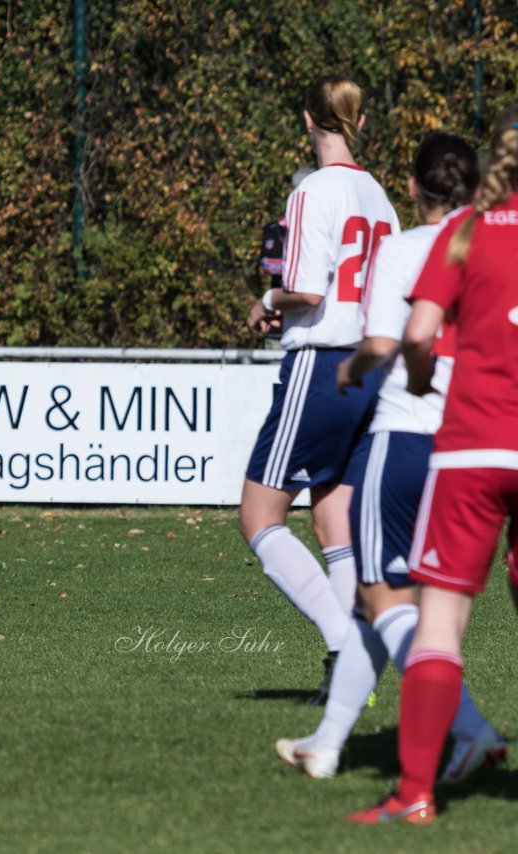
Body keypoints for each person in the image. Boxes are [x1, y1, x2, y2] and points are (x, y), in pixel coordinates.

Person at [276, 133, 503, 780]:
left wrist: (350, 373)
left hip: (405, 433)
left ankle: (471, 727)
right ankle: (326, 742)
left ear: (412, 188)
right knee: (382, 601)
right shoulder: (490, 244)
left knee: (382, 596)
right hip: (468, 439)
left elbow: (384, 342)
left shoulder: (404, 250)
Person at [349, 105, 518, 825]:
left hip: (475, 446)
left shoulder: (466, 230)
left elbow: (418, 332)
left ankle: (414, 794)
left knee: (441, 621)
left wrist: (420, 381)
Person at [242, 75, 399, 705]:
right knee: (333, 514)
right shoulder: (379, 195)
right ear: (357, 120)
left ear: (308, 118)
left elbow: (306, 291)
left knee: (259, 516)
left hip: (323, 361)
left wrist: (265, 302)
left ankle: (345, 643)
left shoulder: (313, 189)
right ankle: (345, 674)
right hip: (373, 364)